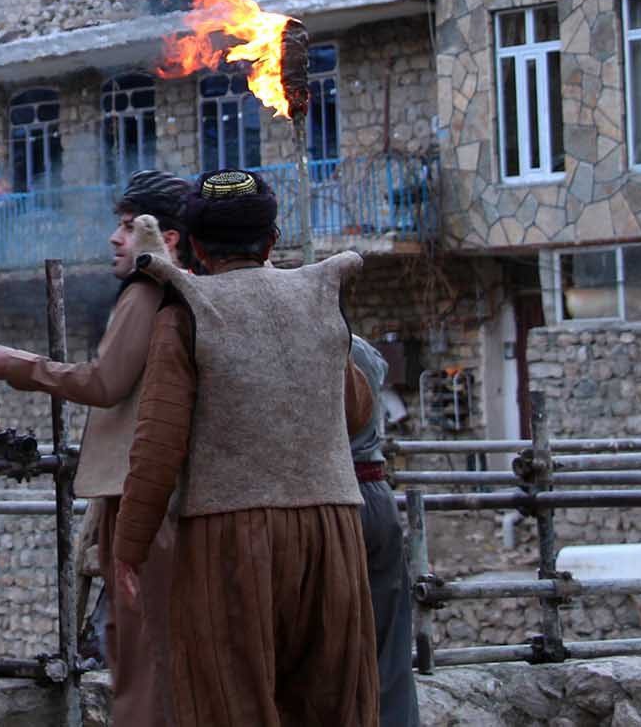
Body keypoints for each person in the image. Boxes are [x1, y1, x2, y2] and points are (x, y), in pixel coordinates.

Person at [112, 171, 378, 727]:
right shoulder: (317, 297)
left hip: (228, 538)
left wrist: (129, 547)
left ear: (200, 247)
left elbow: (157, 445)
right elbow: (356, 411)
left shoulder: (186, 310)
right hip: (332, 530)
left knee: (228, 703)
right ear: (272, 240)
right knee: (334, 705)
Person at [0, 171, 193, 727]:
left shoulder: (148, 293)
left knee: (139, 646)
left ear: (168, 240)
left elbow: (104, 382)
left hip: (138, 491)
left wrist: (20, 367)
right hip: (167, 489)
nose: (115, 240)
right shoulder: (189, 291)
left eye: (127, 227)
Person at [350, 335, 419, 727]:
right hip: (375, 491)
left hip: (336, 497)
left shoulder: (305, 340)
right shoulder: (362, 348)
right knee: (388, 646)